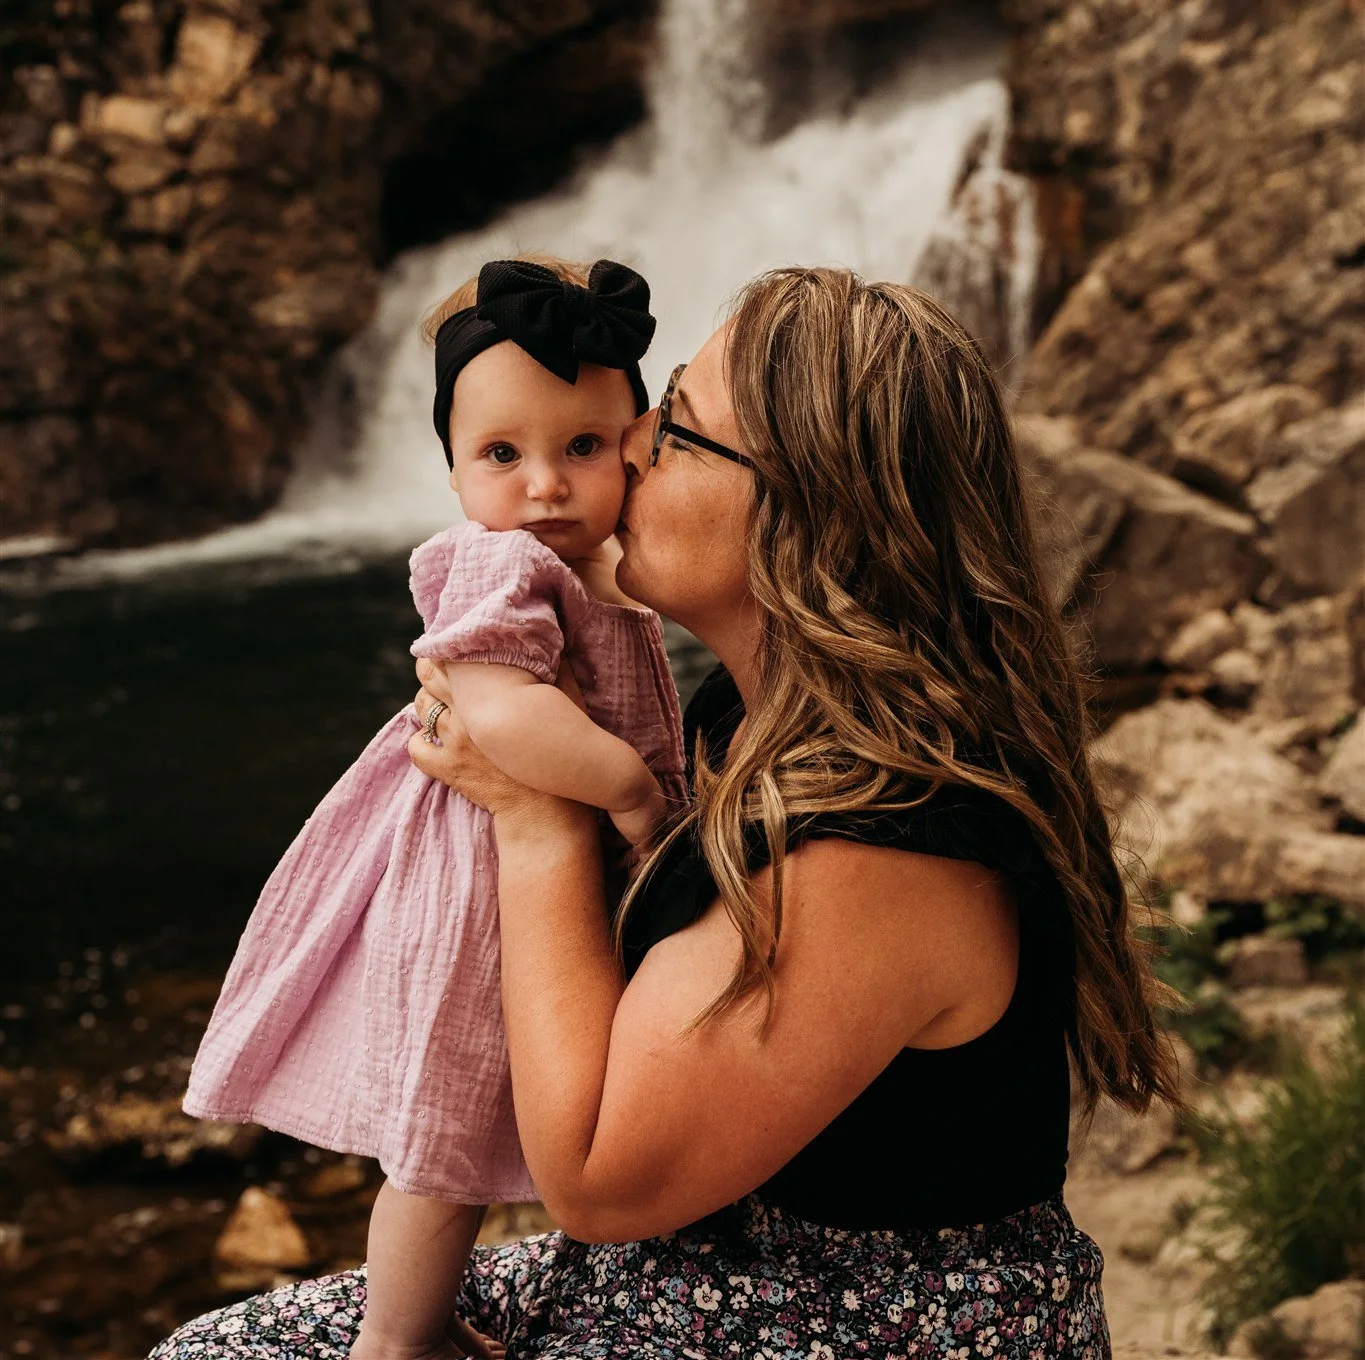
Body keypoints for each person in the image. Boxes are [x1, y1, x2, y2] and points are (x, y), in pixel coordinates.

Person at [155, 266, 1178, 1360]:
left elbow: (597, 1175)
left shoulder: (886, 838)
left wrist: (535, 812)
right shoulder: (758, 717)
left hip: (852, 1318)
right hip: (712, 1265)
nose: (629, 442)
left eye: (679, 423)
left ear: (809, 512)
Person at [180, 257, 686, 1360]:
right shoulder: (496, 560)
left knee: (500, 1120)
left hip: (531, 880)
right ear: (454, 471)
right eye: (502, 454)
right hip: (475, 889)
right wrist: (636, 790)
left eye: (583, 447)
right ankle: (396, 1342)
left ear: (639, 444)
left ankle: (427, 1320)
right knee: (445, 1135)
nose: (544, 483)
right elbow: (499, 714)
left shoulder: (600, 561)